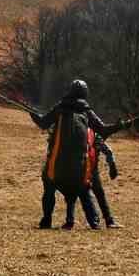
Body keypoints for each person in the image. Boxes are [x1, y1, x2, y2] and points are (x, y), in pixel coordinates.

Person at [30, 79, 123, 230]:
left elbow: (43, 123)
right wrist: (120, 126)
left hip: (56, 165)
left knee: (48, 184)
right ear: (85, 94)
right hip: (79, 168)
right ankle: (96, 222)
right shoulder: (86, 111)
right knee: (84, 188)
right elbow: (103, 130)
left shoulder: (60, 107)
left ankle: (46, 220)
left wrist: (33, 113)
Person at [90, 130, 121, 228]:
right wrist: (112, 165)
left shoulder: (93, 134)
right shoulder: (93, 133)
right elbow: (107, 151)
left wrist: (112, 165)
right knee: (96, 195)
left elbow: (107, 151)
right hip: (87, 169)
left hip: (87, 169)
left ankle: (107, 220)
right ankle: (105, 220)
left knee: (98, 194)